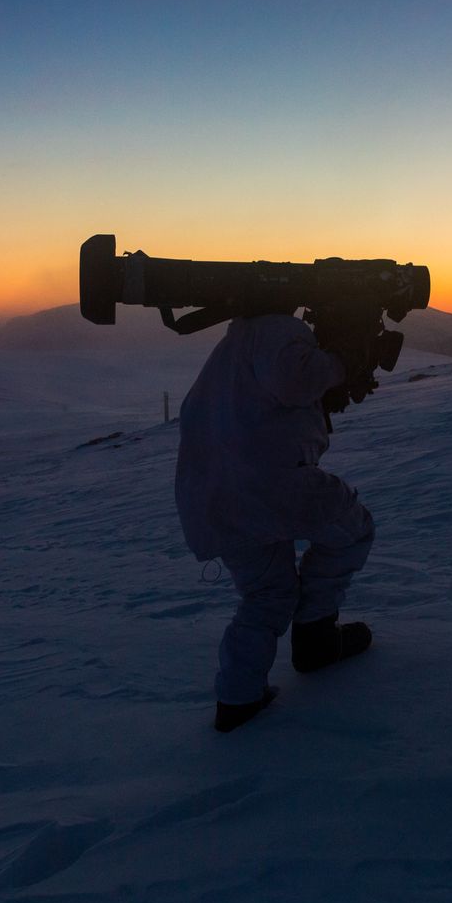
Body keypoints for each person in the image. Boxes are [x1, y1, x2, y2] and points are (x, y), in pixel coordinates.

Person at [175, 303, 376, 733]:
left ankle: (237, 699)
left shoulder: (232, 349)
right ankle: (316, 635)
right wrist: (340, 363)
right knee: (353, 530)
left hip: (215, 500)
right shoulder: (275, 331)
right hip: (269, 488)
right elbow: (293, 378)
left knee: (268, 594)